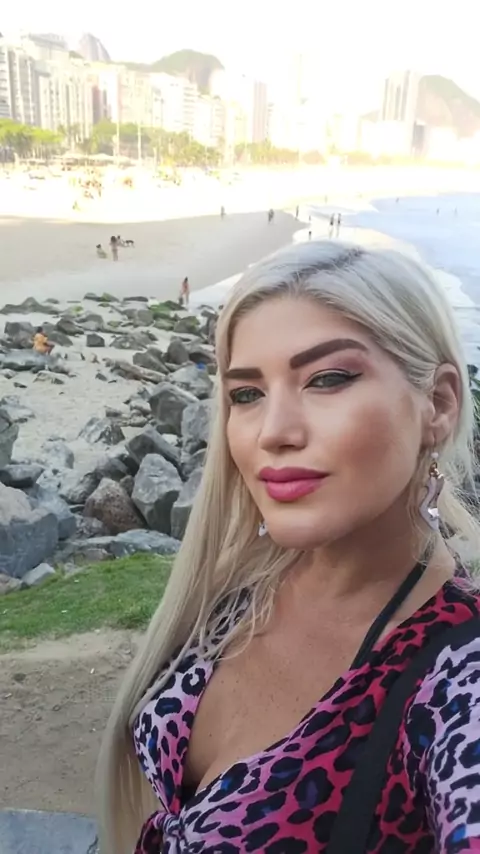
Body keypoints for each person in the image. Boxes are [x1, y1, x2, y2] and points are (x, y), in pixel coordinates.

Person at [97, 240, 480, 854]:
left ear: (437, 403)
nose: (273, 433)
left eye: (327, 379)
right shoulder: (240, 588)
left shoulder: (458, 677)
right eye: (247, 394)